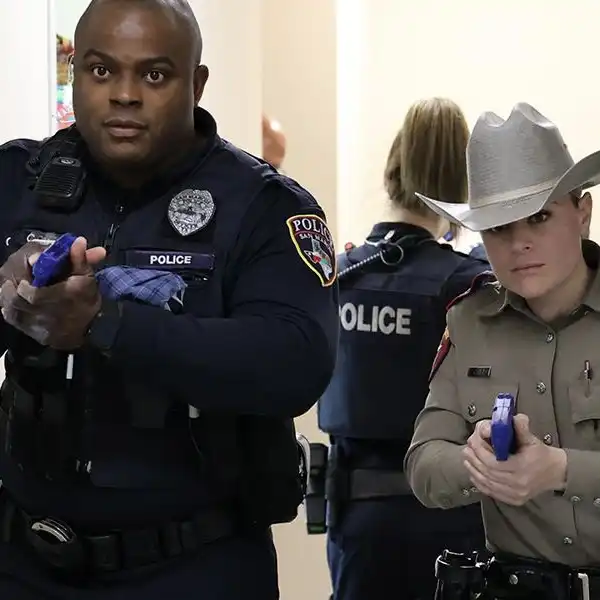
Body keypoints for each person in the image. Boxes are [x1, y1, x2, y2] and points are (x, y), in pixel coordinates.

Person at [0, 0, 338, 598]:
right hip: (28, 560)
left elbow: (296, 361)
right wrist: (14, 298)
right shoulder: (19, 181)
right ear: (75, 72)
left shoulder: (264, 207)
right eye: (101, 71)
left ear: (197, 83)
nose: (124, 94)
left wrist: (104, 322)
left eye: (153, 75)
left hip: (194, 564)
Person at [405, 101, 600, 600]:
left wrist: (559, 470)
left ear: (583, 212)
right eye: (498, 228)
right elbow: (424, 463)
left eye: (538, 218)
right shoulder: (469, 322)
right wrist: (479, 465)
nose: (519, 244)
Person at [318, 97, 488, 600]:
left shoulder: (341, 274)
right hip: (448, 523)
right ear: (464, 181)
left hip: (355, 524)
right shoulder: (468, 284)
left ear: (393, 166)